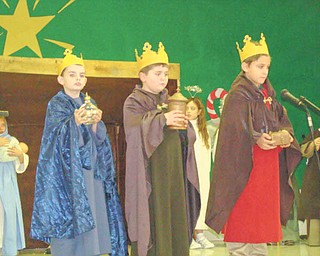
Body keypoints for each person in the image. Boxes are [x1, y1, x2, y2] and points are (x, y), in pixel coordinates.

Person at [205, 33, 301, 256]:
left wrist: (285, 135)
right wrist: (256, 138)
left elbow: (283, 122)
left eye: (267, 67)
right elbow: (235, 133)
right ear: (245, 66)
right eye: (260, 66)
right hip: (245, 170)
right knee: (243, 219)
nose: (265, 71)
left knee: (260, 225)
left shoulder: (269, 95)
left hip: (266, 169)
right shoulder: (237, 96)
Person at [30, 49, 128, 256]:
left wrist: (95, 123)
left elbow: (98, 139)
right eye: (72, 74)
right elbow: (53, 139)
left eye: (81, 75)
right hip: (68, 174)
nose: (78, 79)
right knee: (71, 214)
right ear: (60, 78)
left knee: (93, 210)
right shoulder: (57, 104)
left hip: (91, 170)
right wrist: (73, 122)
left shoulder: (89, 102)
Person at [123, 42, 200, 256]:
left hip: (174, 172)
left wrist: (185, 127)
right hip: (151, 175)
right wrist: (161, 119)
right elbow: (134, 131)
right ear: (142, 76)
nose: (163, 78)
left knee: (175, 214)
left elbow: (187, 137)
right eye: (157, 73)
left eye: (165, 73)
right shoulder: (133, 102)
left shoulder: (172, 100)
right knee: (154, 218)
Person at [186, 97, 215, 249]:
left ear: (199, 111)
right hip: (190, 173)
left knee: (203, 200)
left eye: (192, 108)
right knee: (190, 201)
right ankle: (189, 235)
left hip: (203, 173)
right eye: (187, 108)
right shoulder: (183, 129)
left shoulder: (206, 130)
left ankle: (200, 234)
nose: (189, 111)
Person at [0, 114, 29, 256]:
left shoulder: (12, 141)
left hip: (8, 183)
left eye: (3, 125)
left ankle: (8, 251)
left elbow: (21, 161)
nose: (0, 128)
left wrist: (20, 154)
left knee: (9, 217)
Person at [298, 128, 320, 246]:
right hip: (315, 178)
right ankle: (314, 240)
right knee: (315, 209)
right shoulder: (316, 133)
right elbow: (303, 150)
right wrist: (313, 144)